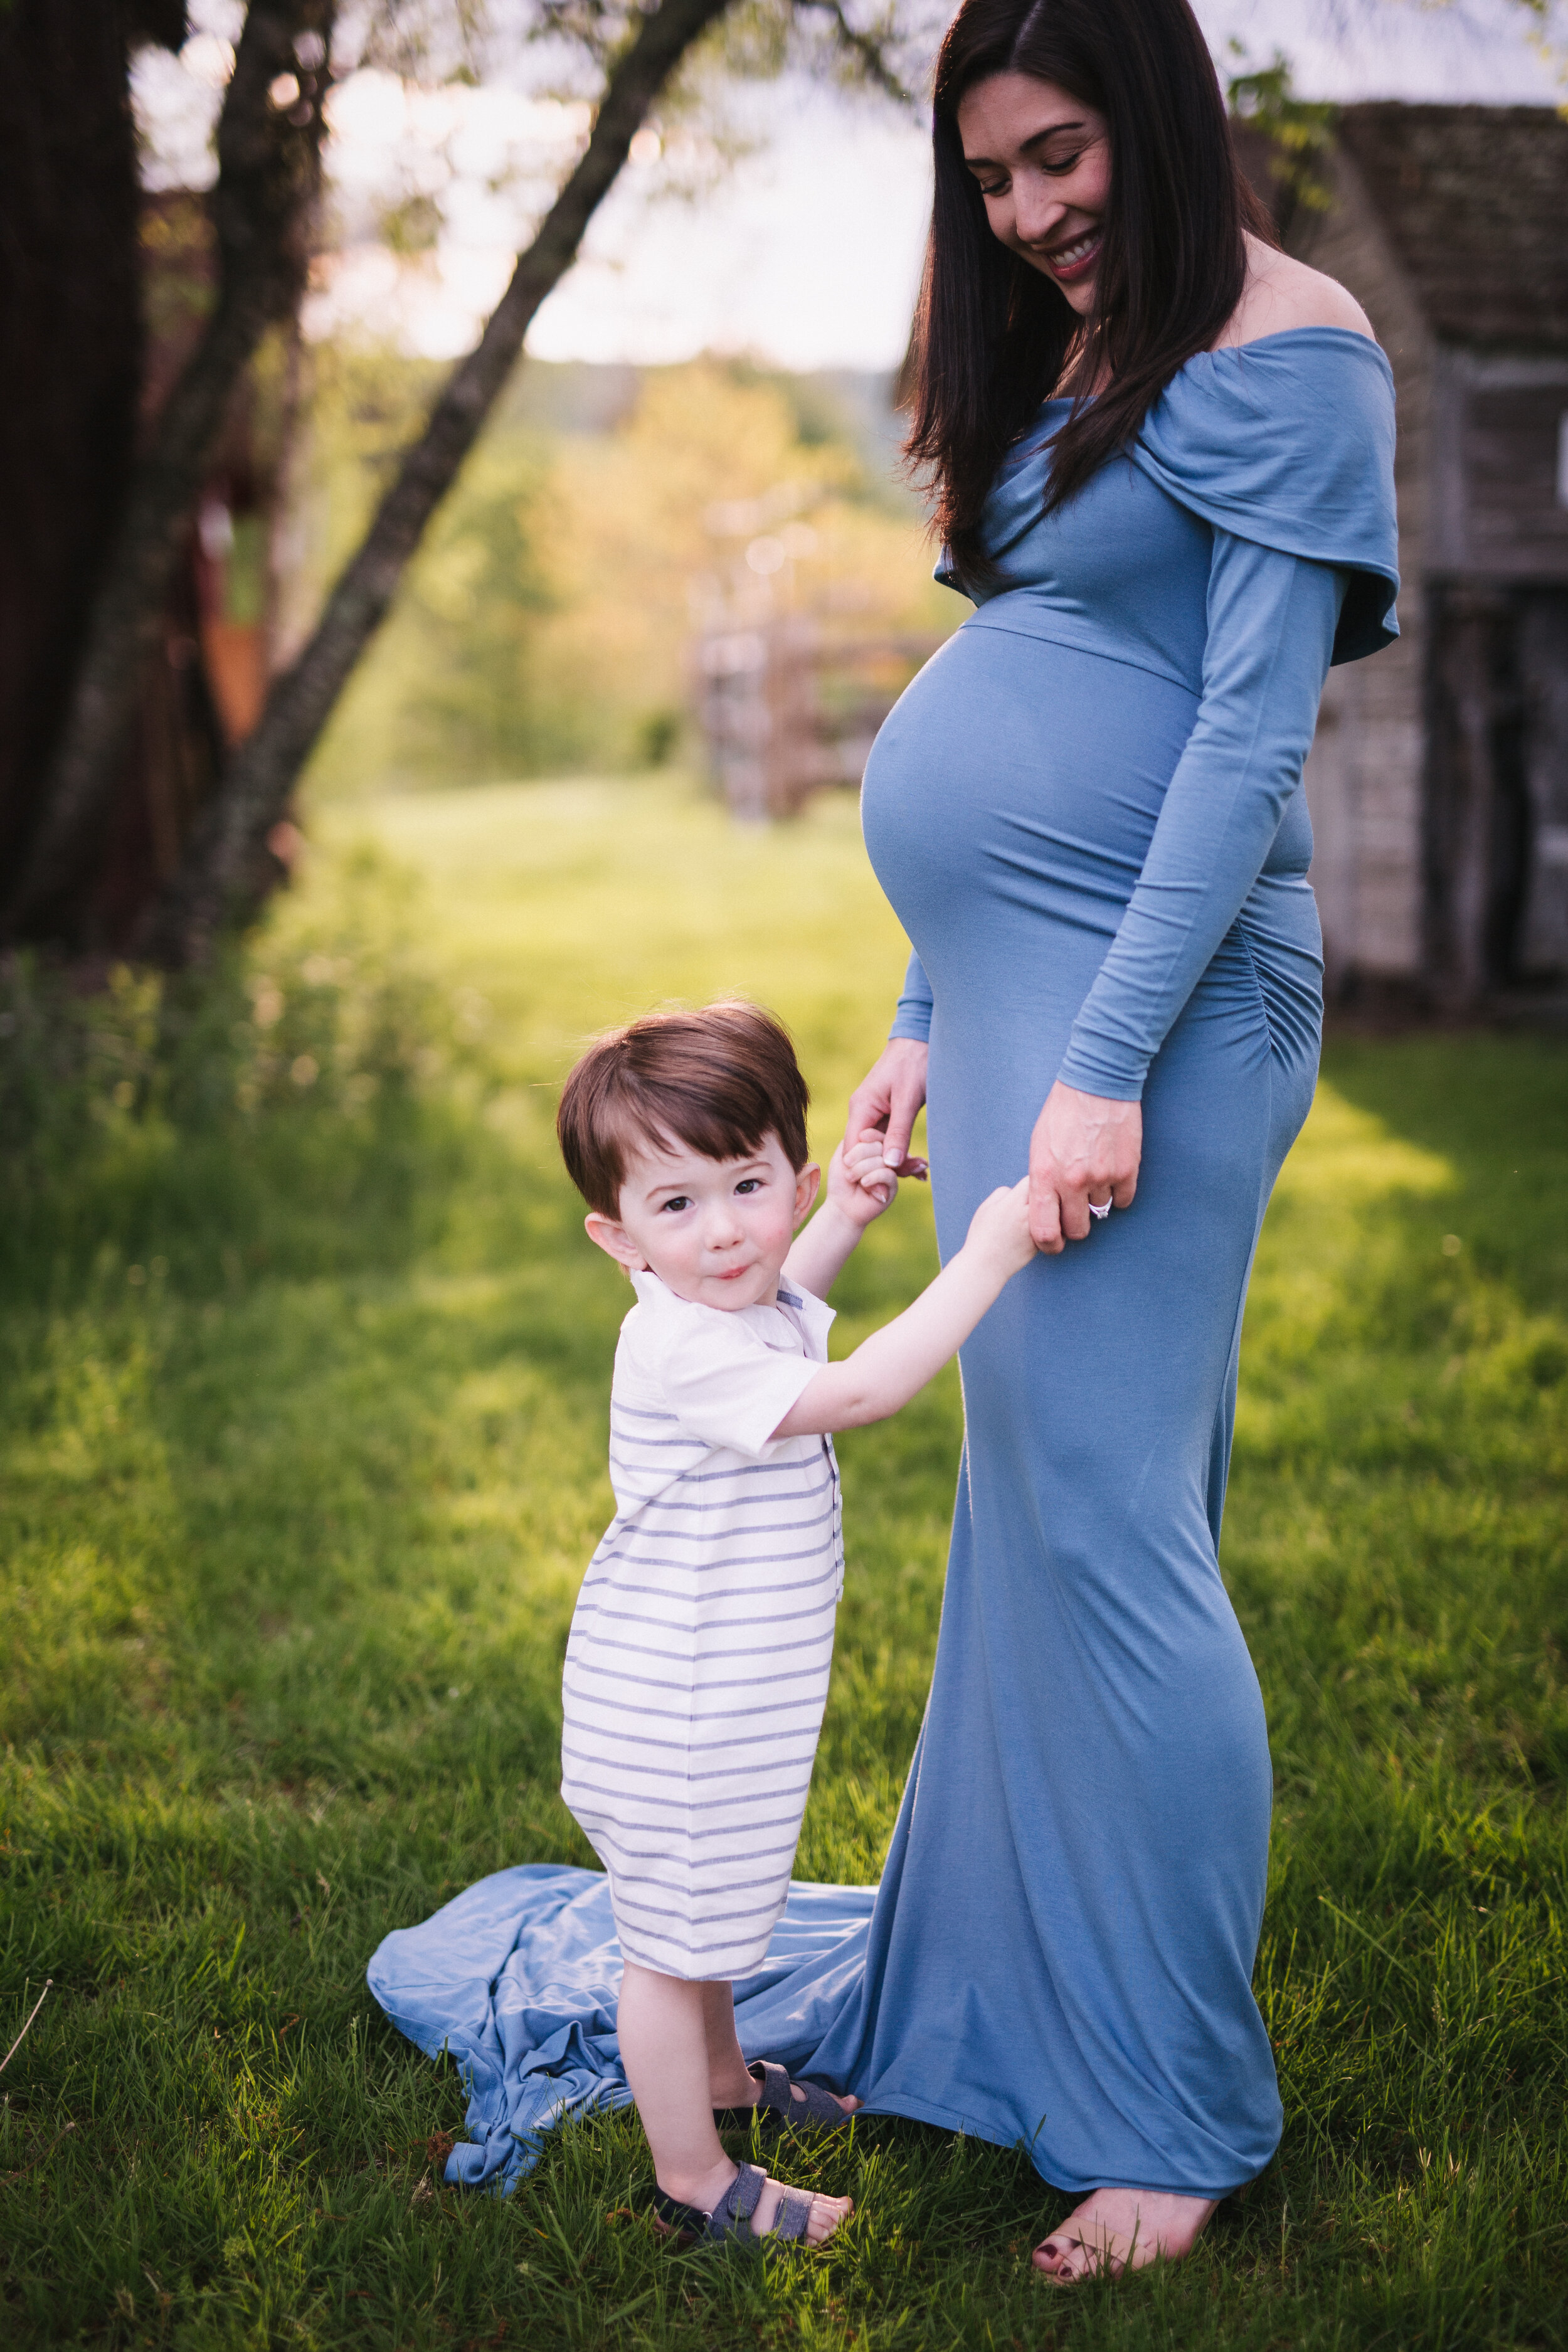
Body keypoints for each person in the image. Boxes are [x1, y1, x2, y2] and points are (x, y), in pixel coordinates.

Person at [808, 0, 1400, 2284]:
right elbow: (1054, 656)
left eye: (1061, 157)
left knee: (1123, 1537)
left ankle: (1177, 2113)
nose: (1029, 210)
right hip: (1033, 1005)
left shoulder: (1293, 345)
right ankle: (978, 2019)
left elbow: (1244, 744)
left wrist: (1098, 1063)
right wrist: (931, 1018)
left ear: (1158, 116)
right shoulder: (1085, 357)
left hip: (1163, 1010)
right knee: (1036, 1523)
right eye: (989, 179)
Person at [552, 1001, 1037, 2248]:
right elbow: (859, 1387)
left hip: (714, 1691)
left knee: (707, 1915)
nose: (723, 1232)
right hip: (673, 1704)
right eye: (676, 1207)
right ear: (618, 1239)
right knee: (667, 1950)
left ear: (792, 1178)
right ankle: (693, 2180)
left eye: (750, 1186)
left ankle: (719, 2080)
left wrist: (848, 1221)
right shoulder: (678, 1350)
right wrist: (980, 1255)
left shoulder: (726, 1308)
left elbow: (779, 1301)